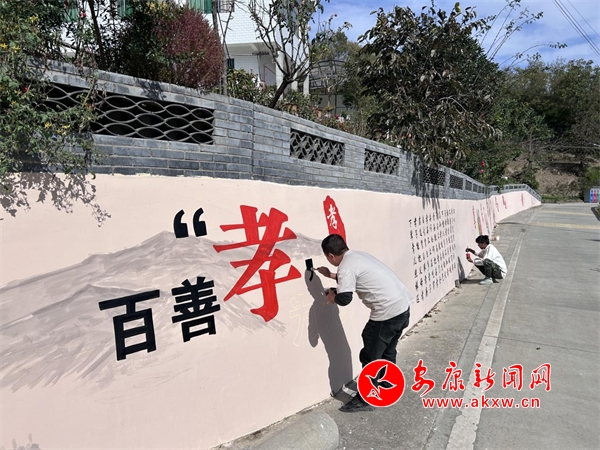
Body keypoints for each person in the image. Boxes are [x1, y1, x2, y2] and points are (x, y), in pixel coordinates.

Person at [316, 234, 412, 412]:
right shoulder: (357, 256)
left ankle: (366, 399)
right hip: (402, 309)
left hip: (386, 314)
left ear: (330, 255)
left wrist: (331, 298)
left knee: (370, 356)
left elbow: (345, 298)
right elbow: (354, 277)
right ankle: (387, 386)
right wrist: (329, 275)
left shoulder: (346, 267)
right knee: (388, 351)